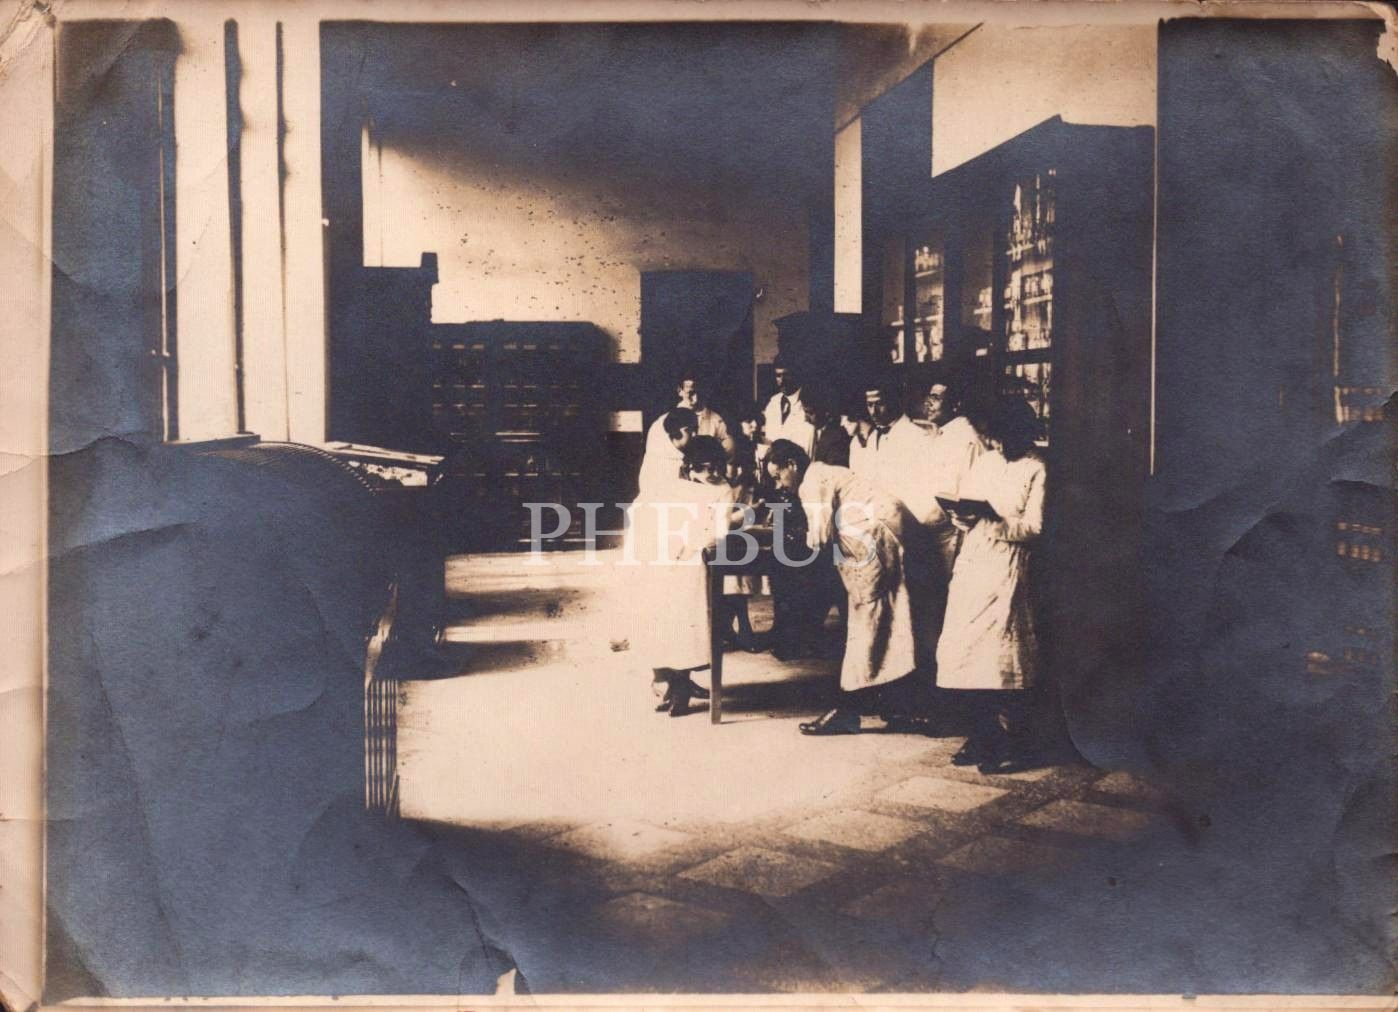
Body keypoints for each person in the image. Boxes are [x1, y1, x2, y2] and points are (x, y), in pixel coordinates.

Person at [765, 439, 927, 735]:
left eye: (778, 477)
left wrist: (788, 541)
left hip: (874, 538)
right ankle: (893, 706)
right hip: (882, 534)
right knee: (886, 622)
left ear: (792, 465)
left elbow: (819, 536)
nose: (779, 485)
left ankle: (849, 709)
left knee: (868, 623)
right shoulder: (824, 471)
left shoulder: (811, 481)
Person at [936, 398, 1046, 773]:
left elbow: (1035, 528)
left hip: (1008, 565)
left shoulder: (1036, 469)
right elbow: (966, 511)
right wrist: (962, 515)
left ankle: (1017, 742)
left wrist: (993, 518)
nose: (997, 445)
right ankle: (983, 735)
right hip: (974, 562)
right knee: (965, 650)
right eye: (994, 438)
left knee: (1001, 654)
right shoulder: (985, 462)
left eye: (1004, 438)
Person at [628, 436, 743, 717]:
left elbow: (718, 531)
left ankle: (681, 686)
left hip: (694, 559)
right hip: (663, 556)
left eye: (716, 467)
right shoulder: (672, 485)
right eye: (705, 468)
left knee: (684, 620)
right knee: (658, 617)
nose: (712, 473)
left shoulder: (723, 490)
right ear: (690, 466)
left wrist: (691, 545)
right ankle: (671, 681)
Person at [639, 370, 736, 492]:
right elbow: (654, 465)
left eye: (700, 392)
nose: (696, 399)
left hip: (706, 485)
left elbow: (728, 451)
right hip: (671, 484)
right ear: (680, 391)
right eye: (691, 393)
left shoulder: (715, 420)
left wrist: (724, 454)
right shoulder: (661, 424)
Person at [762, 355, 815, 456]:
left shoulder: (809, 403)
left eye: (786, 375)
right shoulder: (773, 403)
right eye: (778, 376)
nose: (782, 382)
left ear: (795, 374)